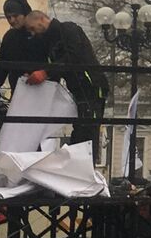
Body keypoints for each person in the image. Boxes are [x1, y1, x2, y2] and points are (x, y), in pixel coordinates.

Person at [21, 8, 108, 145]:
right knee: (81, 128)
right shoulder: (49, 41)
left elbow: (73, 56)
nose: (33, 33)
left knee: (88, 129)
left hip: (91, 84)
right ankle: (80, 157)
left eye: (33, 28)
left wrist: (45, 72)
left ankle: (84, 159)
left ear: (42, 19)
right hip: (78, 88)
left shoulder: (68, 29)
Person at [0, 0, 50, 142]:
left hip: (39, 92)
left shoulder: (40, 35)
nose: (12, 20)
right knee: (23, 135)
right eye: (8, 17)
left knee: (27, 134)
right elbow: (1, 69)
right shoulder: (10, 38)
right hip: (20, 93)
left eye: (15, 16)